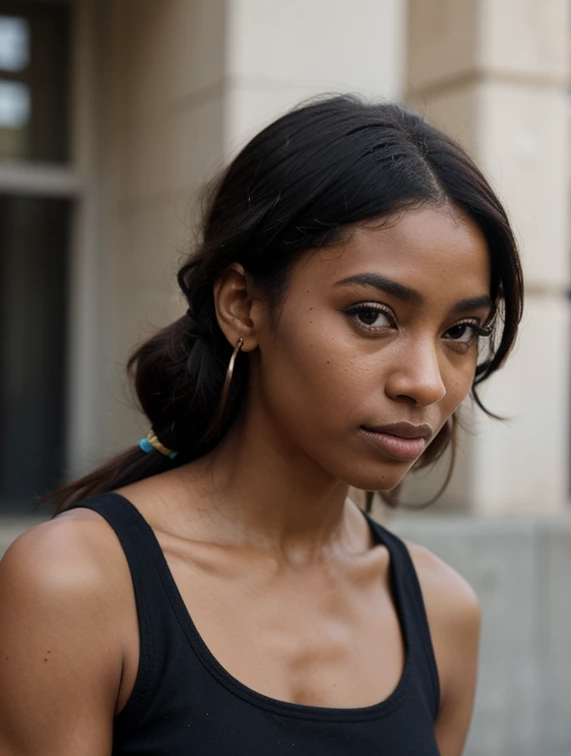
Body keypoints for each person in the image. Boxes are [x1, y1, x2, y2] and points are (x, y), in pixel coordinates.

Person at [0, 94, 523, 755]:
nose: (427, 381)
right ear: (243, 306)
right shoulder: (77, 584)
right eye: (372, 315)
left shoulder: (442, 611)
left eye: (461, 331)